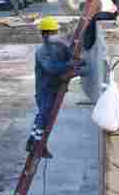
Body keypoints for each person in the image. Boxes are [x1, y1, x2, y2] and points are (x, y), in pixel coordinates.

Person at [28, 17, 83, 159]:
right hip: (44, 89)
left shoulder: (58, 46)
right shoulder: (42, 51)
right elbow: (51, 68)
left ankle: (32, 142)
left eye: (56, 32)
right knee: (44, 115)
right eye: (54, 32)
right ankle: (37, 145)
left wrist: (76, 62)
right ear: (45, 35)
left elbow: (67, 55)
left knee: (43, 115)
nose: (57, 34)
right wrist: (70, 65)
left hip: (52, 86)